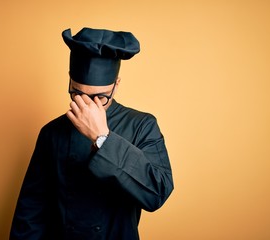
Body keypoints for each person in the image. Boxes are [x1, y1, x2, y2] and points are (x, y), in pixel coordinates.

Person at [10, 27, 174, 240]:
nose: (87, 104)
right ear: (69, 80)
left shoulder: (142, 125)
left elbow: (157, 192)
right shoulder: (52, 132)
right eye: (77, 93)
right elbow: (31, 210)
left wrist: (102, 137)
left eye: (100, 97)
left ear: (116, 85)